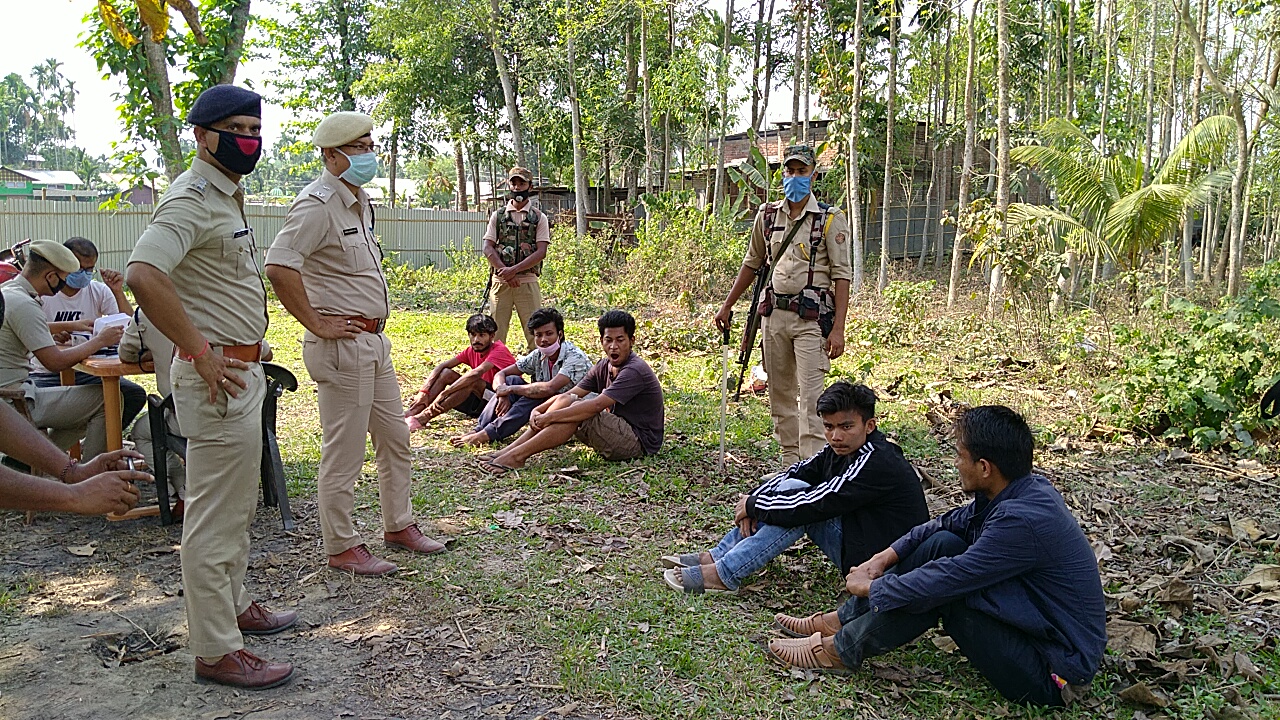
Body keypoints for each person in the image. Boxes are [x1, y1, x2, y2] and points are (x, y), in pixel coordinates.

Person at [126, 84, 295, 691]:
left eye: (255, 128)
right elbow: (143, 274)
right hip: (217, 380)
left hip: (241, 372)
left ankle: (234, 604)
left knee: (236, 505)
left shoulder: (227, 194)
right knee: (214, 518)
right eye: (237, 129)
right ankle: (217, 650)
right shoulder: (194, 197)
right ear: (202, 136)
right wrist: (199, 350)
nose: (249, 140)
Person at [766, 406, 1107, 708]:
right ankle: (841, 621)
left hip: (1055, 673)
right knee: (943, 541)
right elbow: (946, 523)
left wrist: (871, 589)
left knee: (943, 593)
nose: (956, 464)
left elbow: (950, 578)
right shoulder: (1019, 489)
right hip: (1033, 626)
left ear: (985, 467)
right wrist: (882, 558)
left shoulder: (1022, 521)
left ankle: (840, 650)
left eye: (960, 456)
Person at [266, 111, 447, 577]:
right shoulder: (315, 204)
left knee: (395, 438)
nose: (370, 154)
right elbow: (280, 266)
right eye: (360, 147)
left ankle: (398, 524)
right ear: (332, 155)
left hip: (373, 341)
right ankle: (342, 545)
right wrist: (317, 324)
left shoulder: (359, 199)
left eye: (370, 145)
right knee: (344, 451)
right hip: (341, 345)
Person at [661, 382, 928, 594]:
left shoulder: (877, 460)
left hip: (884, 566)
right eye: (829, 427)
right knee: (792, 489)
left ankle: (724, 574)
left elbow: (818, 502)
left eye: (846, 426)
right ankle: (719, 556)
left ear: (869, 426)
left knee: (800, 508)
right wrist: (754, 500)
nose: (836, 435)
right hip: (858, 541)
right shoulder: (839, 449)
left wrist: (755, 506)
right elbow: (796, 472)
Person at [714, 145, 853, 466]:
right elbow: (751, 264)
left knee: (813, 398)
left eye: (801, 171)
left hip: (811, 320)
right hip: (774, 317)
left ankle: (814, 468)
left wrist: (839, 328)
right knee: (780, 395)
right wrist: (727, 305)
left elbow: (842, 276)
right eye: (789, 171)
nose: (794, 177)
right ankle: (791, 464)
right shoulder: (767, 216)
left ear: (813, 175)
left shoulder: (830, 220)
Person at [478, 310, 663, 473]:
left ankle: (517, 456)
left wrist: (550, 417)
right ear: (601, 341)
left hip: (638, 443)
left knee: (579, 409)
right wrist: (539, 411)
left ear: (631, 341)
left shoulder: (634, 370)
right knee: (570, 401)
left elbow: (597, 404)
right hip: (615, 431)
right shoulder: (603, 365)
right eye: (608, 340)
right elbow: (569, 394)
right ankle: (511, 451)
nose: (613, 346)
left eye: (620, 340)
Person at [0, 239, 120, 458]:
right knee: (108, 400)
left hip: (11, 392)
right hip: (15, 399)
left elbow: (28, 328)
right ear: (51, 276)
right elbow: (54, 362)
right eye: (63, 279)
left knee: (83, 408)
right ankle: (88, 474)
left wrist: (64, 329)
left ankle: (31, 461)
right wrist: (99, 341)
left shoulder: (10, 292)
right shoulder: (25, 304)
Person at [29, 237, 147, 431]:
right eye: (79, 269)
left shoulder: (98, 291)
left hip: (89, 372)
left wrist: (117, 291)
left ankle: (95, 444)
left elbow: (130, 325)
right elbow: (32, 325)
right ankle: (60, 453)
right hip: (45, 373)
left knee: (131, 395)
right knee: (99, 402)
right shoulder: (45, 293)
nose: (83, 275)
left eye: (89, 269)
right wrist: (56, 331)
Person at [449, 307, 592, 448]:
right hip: (549, 406)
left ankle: (486, 434)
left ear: (559, 334)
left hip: (575, 411)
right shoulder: (538, 355)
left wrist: (510, 390)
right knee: (512, 380)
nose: (543, 340)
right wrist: (502, 391)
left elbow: (550, 388)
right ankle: (479, 430)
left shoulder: (574, 357)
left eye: (549, 334)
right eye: (538, 335)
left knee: (536, 393)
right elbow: (501, 374)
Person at [119, 307, 185, 519]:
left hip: (188, 414)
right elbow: (264, 350)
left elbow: (126, 353)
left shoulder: (148, 311)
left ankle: (183, 490)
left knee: (142, 431)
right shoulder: (228, 300)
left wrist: (156, 350)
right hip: (245, 410)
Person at [404, 313, 516, 430]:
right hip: (481, 399)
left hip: (503, 402)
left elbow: (476, 373)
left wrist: (445, 393)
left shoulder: (499, 350)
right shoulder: (471, 351)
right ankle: (412, 412)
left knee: (472, 381)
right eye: (473, 335)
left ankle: (423, 418)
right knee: (447, 373)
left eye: (482, 335)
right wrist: (423, 391)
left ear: (492, 336)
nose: (476, 340)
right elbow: (442, 366)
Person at [483, 167, 549, 350]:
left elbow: (541, 251)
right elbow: (487, 247)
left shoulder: (538, 218)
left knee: (536, 333)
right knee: (495, 335)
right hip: (501, 283)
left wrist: (514, 271)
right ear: (509, 185)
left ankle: (539, 376)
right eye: (514, 183)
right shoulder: (498, 216)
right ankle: (492, 375)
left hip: (527, 283)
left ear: (530, 185)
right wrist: (507, 274)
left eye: (522, 183)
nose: (517, 187)